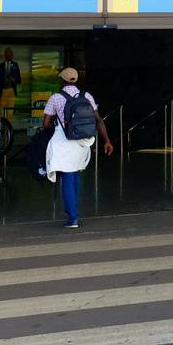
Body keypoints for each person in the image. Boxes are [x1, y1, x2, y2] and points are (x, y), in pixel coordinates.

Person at [42, 67, 113, 228]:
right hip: (83, 142)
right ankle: (72, 210)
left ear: (62, 80)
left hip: (64, 141)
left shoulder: (55, 98)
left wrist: (52, 127)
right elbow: (99, 120)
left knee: (67, 177)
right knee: (75, 174)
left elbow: (45, 123)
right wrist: (107, 141)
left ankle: (73, 217)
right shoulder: (87, 96)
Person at [0, 48, 21, 117]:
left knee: (10, 112)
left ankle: (8, 127)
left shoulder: (15, 65)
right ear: (5, 55)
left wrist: (13, 79)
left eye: (10, 54)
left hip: (11, 90)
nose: (9, 56)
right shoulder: (0, 66)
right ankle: (3, 126)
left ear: (12, 55)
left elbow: (19, 79)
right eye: (7, 54)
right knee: (2, 111)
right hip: (2, 91)